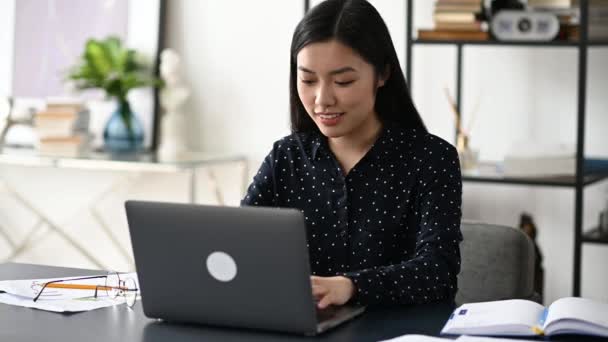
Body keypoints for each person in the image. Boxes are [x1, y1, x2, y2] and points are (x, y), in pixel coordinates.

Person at [242, 0, 462, 309]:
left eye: (343, 81)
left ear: (382, 74)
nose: (322, 99)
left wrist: (352, 287)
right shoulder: (286, 157)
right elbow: (239, 243)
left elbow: (438, 272)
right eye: (307, 80)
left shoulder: (431, 159)